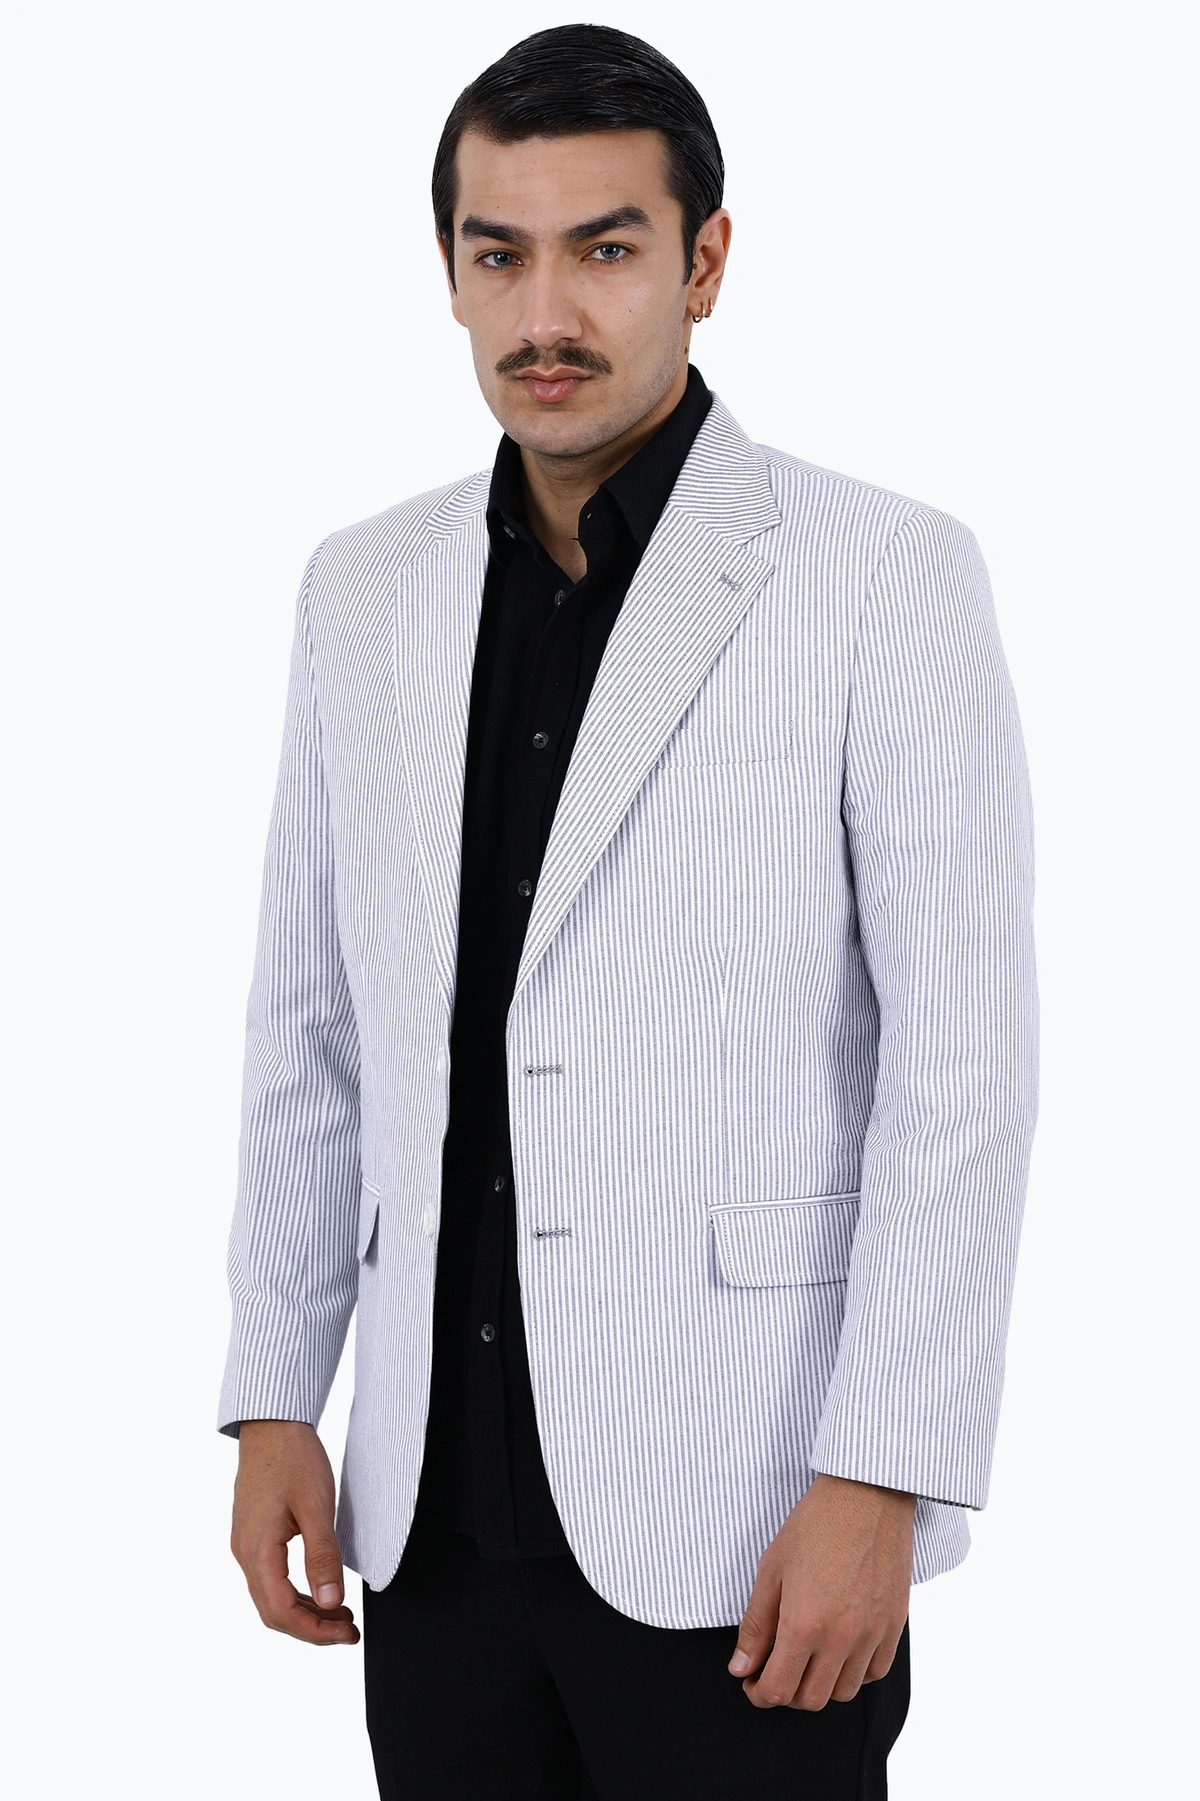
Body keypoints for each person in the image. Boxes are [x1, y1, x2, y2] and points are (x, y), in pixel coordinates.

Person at [219, 23, 1038, 1799]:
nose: (547, 315)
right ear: (448, 272)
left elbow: (961, 1070)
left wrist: (884, 1473)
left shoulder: (884, 576)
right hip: (431, 1516)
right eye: (498, 254)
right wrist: (278, 1389)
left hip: (748, 1516)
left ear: (704, 261)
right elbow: (313, 1026)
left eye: (604, 248)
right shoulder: (361, 590)